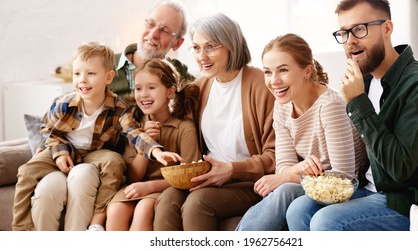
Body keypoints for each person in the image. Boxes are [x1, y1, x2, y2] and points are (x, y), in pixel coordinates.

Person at [286, 0, 418, 231]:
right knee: (299, 208)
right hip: (367, 189)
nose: (350, 40)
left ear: (387, 28)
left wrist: (357, 102)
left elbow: (400, 167)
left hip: (405, 200)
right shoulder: (363, 80)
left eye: (360, 29)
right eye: (343, 33)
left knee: (326, 220)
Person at [12, 42, 181, 231]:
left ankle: (97, 221)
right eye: (77, 74)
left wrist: (156, 151)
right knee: (26, 171)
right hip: (65, 148)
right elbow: (48, 129)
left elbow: (134, 132)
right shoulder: (63, 103)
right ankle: (20, 230)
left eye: (91, 74)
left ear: (109, 77)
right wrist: (59, 152)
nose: (82, 80)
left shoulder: (118, 108)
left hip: (95, 153)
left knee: (115, 162)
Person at [153, 13, 276, 231]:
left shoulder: (261, 84)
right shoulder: (200, 87)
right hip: (209, 176)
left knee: (197, 204)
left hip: (250, 182)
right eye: (196, 48)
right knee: (168, 199)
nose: (202, 56)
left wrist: (231, 169)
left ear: (231, 45)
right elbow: (178, 126)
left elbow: (274, 157)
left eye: (210, 47)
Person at [236, 33, 368, 231]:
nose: (274, 81)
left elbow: (344, 178)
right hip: (317, 185)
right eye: (268, 72)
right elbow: (284, 167)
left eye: (283, 70)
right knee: (285, 189)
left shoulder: (329, 105)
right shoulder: (282, 105)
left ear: (307, 71)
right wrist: (294, 171)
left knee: (285, 191)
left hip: (352, 190)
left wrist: (287, 176)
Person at [105, 59, 201, 231]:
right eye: (139, 88)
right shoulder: (134, 124)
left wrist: (149, 187)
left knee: (143, 210)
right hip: (137, 185)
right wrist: (146, 147)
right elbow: (133, 177)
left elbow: (190, 177)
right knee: (115, 210)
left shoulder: (184, 127)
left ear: (170, 92)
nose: (143, 94)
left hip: (166, 187)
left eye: (151, 87)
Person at [110, 0, 195, 100]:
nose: (153, 34)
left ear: (177, 43)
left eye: (165, 30)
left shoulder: (180, 75)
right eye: (150, 24)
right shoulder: (103, 65)